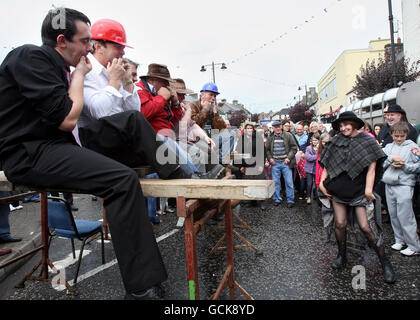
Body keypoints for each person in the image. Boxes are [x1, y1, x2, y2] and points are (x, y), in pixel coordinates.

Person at [0, 8, 187, 300]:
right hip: (30, 154)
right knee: (121, 181)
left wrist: (112, 83)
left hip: (56, 147)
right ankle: (141, 289)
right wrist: (80, 76)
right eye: (85, 40)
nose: (90, 47)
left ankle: (177, 169)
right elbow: (67, 119)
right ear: (62, 40)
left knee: (130, 134)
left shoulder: (58, 67)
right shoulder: (30, 57)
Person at [319, 111, 395, 284]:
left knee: (366, 227)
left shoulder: (367, 140)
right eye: (340, 125)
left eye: (347, 124)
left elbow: (372, 168)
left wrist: (369, 189)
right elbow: (327, 165)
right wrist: (322, 183)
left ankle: (385, 262)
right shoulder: (335, 141)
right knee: (339, 224)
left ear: (354, 124)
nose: (344, 128)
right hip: (338, 190)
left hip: (359, 190)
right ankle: (341, 255)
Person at [382, 122, 420, 256]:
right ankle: (400, 240)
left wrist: (404, 166)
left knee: (406, 216)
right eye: (396, 136)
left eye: (402, 136)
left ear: (406, 135)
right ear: (391, 134)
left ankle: (414, 246)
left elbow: (418, 166)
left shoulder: (413, 147)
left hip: (404, 184)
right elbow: (381, 163)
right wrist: (390, 161)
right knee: (393, 214)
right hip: (389, 183)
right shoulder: (388, 147)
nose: (399, 138)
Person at [190, 82, 235, 166]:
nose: (213, 98)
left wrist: (215, 113)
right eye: (211, 95)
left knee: (230, 134)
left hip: (210, 140)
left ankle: (222, 162)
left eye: (215, 96)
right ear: (202, 94)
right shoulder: (193, 105)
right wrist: (204, 110)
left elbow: (221, 128)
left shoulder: (212, 108)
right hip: (197, 140)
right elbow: (193, 125)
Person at [234, 122, 267, 209]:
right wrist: (241, 166)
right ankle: (252, 201)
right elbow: (238, 153)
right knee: (249, 183)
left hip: (257, 164)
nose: (249, 130)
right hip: (246, 165)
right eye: (247, 128)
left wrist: (261, 164)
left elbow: (262, 152)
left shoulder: (258, 138)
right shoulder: (242, 139)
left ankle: (262, 201)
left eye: (250, 128)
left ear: (253, 129)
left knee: (260, 183)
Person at [266, 121, 298, 208]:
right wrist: (270, 159)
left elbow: (294, 148)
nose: (277, 128)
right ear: (273, 128)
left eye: (278, 126)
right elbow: (267, 150)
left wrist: (288, 158)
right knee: (276, 182)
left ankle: (290, 200)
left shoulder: (288, 135)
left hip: (285, 162)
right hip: (275, 163)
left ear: (281, 127)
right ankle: (277, 199)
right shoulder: (270, 137)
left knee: (289, 182)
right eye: (275, 127)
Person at [304, 134, 320, 205]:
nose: (314, 142)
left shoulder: (320, 148)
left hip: (317, 169)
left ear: (318, 141)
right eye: (313, 140)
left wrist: (313, 157)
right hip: (309, 169)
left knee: (317, 184)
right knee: (309, 184)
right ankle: (308, 197)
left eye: (316, 140)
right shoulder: (308, 148)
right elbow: (308, 158)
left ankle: (317, 197)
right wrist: (317, 156)